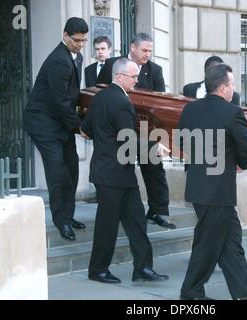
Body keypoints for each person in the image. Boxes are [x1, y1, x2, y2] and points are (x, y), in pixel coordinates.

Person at [177, 64, 247, 300]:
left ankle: (245, 293)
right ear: (224, 87)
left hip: (199, 187)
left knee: (231, 240)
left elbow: (184, 144)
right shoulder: (232, 112)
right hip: (217, 191)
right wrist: (240, 163)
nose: (234, 89)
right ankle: (190, 292)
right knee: (208, 244)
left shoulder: (189, 110)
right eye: (233, 84)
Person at [80, 57, 169, 284]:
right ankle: (97, 270)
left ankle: (143, 268)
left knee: (137, 221)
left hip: (117, 172)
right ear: (120, 76)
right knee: (107, 225)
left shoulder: (99, 97)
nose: (137, 80)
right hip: (112, 174)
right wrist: (154, 147)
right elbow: (127, 139)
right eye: (133, 76)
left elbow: (86, 128)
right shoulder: (120, 100)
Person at [97, 32, 175, 229]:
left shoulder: (155, 70)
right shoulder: (113, 65)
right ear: (133, 48)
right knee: (120, 166)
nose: (148, 54)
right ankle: (119, 206)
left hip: (146, 127)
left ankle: (158, 211)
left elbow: (160, 100)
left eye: (150, 50)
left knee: (154, 169)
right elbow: (98, 91)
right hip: (118, 126)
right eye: (144, 50)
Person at [23, 17, 88, 241]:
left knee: (72, 168)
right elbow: (61, 101)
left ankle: (68, 216)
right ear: (65, 36)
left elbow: (72, 95)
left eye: (83, 41)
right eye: (76, 40)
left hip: (60, 123)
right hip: (42, 123)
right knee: (58, 171)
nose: (80, 45)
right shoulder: (58, 61)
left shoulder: (76, 57)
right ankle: (61, 222)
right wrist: (81, 127)